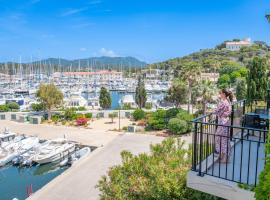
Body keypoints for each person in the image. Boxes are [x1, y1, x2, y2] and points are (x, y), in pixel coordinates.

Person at [214, 89, 233, 163]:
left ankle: (224, 158)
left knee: (220, 138)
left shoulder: (223, 102)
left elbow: (216, 111)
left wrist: (214, 111)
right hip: (225, 122)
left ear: (224, 94)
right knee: (223, 139)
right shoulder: (228, 102)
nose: (220, 94)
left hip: (223, 123)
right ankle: (223, 156)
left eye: (221, 93)